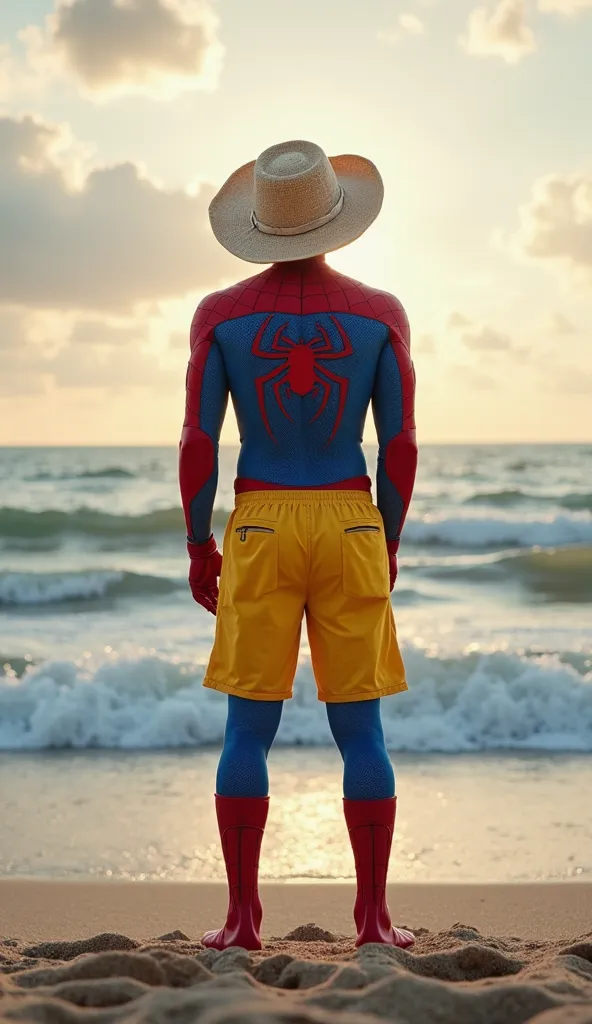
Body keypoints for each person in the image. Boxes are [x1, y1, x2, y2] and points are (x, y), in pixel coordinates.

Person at [178, 140, 417, 951]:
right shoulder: (381, 313)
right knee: (365, 734)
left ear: (258, 228)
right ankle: (374, 921)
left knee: (247, 732)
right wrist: (387, 539)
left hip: (262, 520)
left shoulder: (221, 316)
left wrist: (196, 543)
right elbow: (403, 444)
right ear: (336, 218)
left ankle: (243, 922)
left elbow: (197, 441)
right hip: (350, 517)